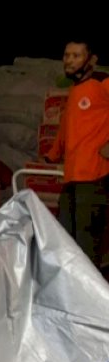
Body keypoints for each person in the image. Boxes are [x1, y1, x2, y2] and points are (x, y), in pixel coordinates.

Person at [46, 38, 109, 273]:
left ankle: (90, 298)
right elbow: (66, 128)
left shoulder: (102, 82)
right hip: (72, 176)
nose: (69, 61)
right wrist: (52, 155)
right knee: (65, 236)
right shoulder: (74, 90)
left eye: (76, 56)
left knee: (86, 240)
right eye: (66, 55)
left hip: (93, 177)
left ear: (91, 59)